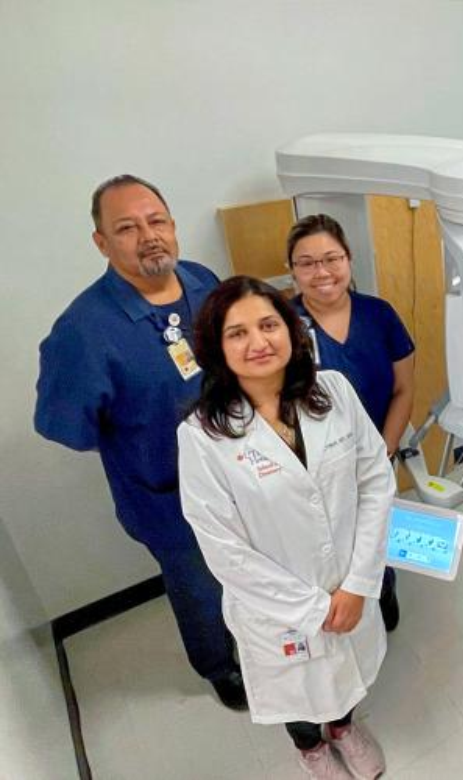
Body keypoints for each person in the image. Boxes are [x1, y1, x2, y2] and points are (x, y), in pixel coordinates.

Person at [34, 174, 244, 709]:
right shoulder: (84, 330)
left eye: (156, 221)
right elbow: (67, 427)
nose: (148, 236)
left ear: (172, 227)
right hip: (168, 500)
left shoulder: (202, 282)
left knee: (249, 567)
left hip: (240, 471)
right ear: (102, 243)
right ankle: (220, 668)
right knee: (199, 590)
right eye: (127, 228)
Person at [177, 276, 394, 780]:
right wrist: (315, 608)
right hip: (278, 610)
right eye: (238, 333)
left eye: (269, 324)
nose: (258, 342)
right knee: (297, 692)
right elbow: (224, 549)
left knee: (344, 678)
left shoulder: (333, 390)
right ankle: (310, 749)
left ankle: (342, 728)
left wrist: (359, 583)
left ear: (291, 332)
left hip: (350, 581)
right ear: (216, 347)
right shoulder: (201, 437)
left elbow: (376, 481)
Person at [287, 214, 415, 632]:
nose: (321, 272)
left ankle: (384, 588)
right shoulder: (283, 326)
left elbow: (404, 390)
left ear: (349, 260)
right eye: (306, 263)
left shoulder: (379, 315)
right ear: (292, 271)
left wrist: (383, 453)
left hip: (379, 450)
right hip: (314, 467)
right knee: (329, 545)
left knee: (377, 532)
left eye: (331, 258)